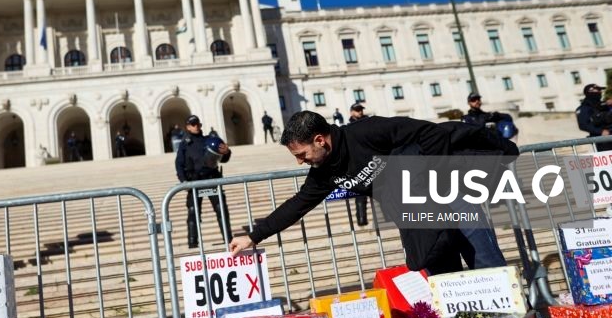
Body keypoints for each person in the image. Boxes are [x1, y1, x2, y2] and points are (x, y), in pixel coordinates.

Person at [228, 111, 518, 274]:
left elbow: (431, 133)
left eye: (302, 153)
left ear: (320, 139)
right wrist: (254, 236)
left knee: (489, 272)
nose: (300, 161)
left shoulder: (367, 132)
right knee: (447, 286)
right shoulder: (325, 172)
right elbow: (298, 205)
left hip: (453, 201)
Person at [175, 115, 233, 248]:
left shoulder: (209, 140)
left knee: (221, 209)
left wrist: (227, 152)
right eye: (193, 124)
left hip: (211, 178)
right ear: (188, 127)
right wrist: (183, 181)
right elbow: (179, 164)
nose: (196, 126)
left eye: (197, 124)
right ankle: (192, 243)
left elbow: (223, 159)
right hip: (194, 181)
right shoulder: (185, 144)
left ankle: (228, 239)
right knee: (193, 211)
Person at [576, 83, 612, 152]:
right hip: (603, 141)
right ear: (590, 92)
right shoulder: (584, 108)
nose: (600, 92)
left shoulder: (604, 105)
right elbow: (583, 125)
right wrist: (600, 131)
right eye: (598, 90)